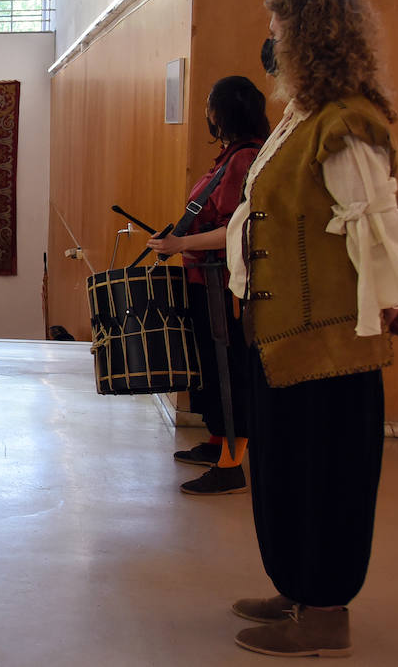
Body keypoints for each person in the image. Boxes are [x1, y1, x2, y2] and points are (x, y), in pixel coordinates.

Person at [225, 0, 398, 657]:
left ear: (310, 41)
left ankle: (326, 610)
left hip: (331, 340)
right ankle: (294, 587)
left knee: (327, 474)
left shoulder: (348, 124)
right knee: (284, 469)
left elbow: (373, 222)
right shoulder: (298, 118)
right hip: (280, 333)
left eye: (279, 35)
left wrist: (391, 296)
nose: (272, 46)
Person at [147, 76, 268, 496]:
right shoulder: (230, 157)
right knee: (211, 368)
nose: (207, 115)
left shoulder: (243, 160)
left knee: (228, 368)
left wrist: (181, 243)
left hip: (222, 284)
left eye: (209, 106)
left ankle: (232, 466)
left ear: (223, 113)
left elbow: (238, 230)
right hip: (205, 279)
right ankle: (218, 443)